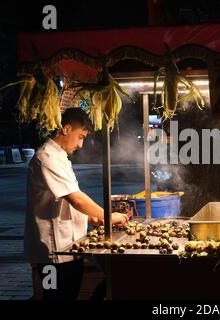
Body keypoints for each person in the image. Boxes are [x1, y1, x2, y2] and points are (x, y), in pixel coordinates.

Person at [24, 108, 128, 300]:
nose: (81, 144)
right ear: (66, 128)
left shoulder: (61, 158)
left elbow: (65, 202)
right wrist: (107, 216)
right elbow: (76, 199)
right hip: (51, 255)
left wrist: (92, 218)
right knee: (53, 297)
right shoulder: (45, 158)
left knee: (69, 296)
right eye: (80, 137)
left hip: (69, 249)